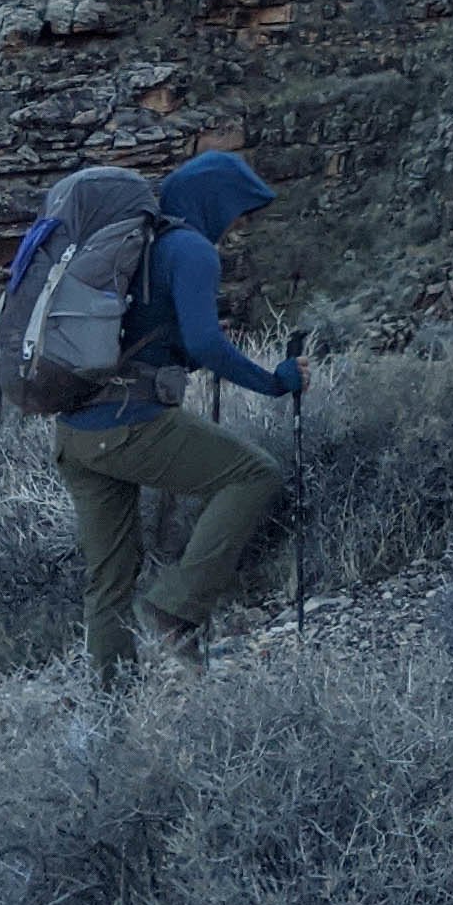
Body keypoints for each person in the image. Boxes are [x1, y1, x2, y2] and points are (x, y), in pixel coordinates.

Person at [53, 149, 299, 682]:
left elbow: (165, 338)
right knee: (255, 474)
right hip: (129, 424)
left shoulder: (136, 247)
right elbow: (206, 344)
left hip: (74, 431)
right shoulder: (189, 249)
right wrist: (273, 383)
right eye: (237, 212)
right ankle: (178, 607)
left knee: (110, 577)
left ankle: (110, 706)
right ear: (214, 201)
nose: (236, 226)